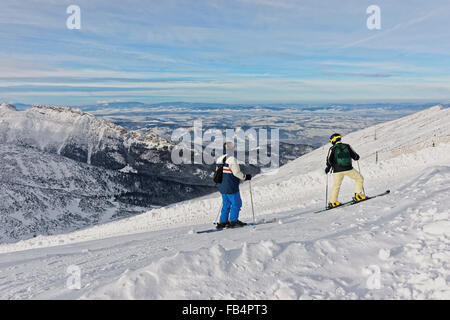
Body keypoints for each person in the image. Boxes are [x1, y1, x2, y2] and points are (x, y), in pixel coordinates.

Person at [216, 142, 252, 229]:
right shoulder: (232, 159)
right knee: (236, 203)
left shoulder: (219, 159)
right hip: (231, 186)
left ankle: (223, 221)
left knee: (226, 204)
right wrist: (245, 177)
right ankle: (233, 221)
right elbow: (236, 173)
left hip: (222, 186)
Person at [325, 133, 366, 208]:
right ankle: (358, 195)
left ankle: (333, 202)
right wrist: (356, 157)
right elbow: (356, 156)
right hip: (348, 169)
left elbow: (329, 160)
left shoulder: (332, 149)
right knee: (359, 179)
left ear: (333, 140)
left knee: (336, 185)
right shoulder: (347, 146)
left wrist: (328, 167)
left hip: (337, 170)